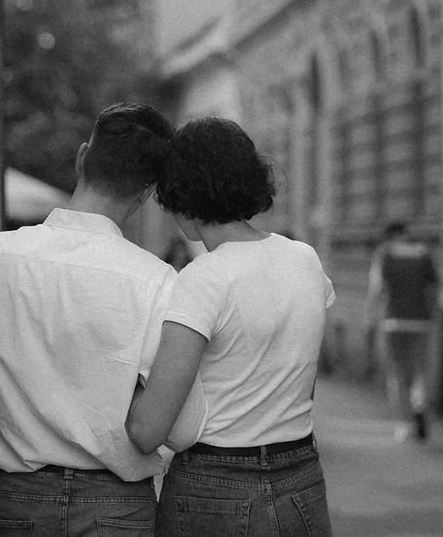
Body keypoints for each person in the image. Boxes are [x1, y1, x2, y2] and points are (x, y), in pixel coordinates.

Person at [0, 102, 207, 536]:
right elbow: (182, 427)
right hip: (115, 503)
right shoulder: (157, 282)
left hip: (19, 497)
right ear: (148, 191)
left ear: (81, 158)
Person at [125, 117, 335, 537]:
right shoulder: (305, 260)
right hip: (300, 476)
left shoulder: (204, 278)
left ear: (181, 196)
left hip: (214, 488)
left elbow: (148, 430)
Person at [363, 220, 439, 442]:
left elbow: (377, 288)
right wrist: (432, 315)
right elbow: (433, 288)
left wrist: (369, 319)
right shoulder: (425, 254)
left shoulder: (385, 254)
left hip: (393, 320)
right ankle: (420, 403)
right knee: (420, 369)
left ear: (388, 237)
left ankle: (405, 423)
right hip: (421, 320)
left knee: (397, 372)